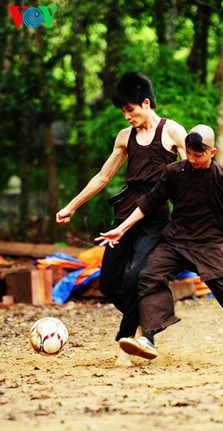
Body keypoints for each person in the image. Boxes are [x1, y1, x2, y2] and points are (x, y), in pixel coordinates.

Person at [96, 124, 223, 363]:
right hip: (175, 242)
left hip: (210, 244)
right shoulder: (174, 172)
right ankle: (148, 335)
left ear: (212, 152)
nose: (193, 159)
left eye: (199, 154)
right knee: (149, 274)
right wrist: (121, 229)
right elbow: (149, 202)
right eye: (190, 153)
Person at [56, 71, 187, 365]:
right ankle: (147, 320)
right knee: (109, 282)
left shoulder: (173, 132)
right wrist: (71, 206)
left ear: (145, 103)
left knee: (135, 276)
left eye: (129, 109)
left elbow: (194, 171)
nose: (126, 116)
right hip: (125, 213)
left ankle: (124, 346)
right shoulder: (125, 138)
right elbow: (103, 177)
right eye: (123, 111)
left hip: (155, 218)